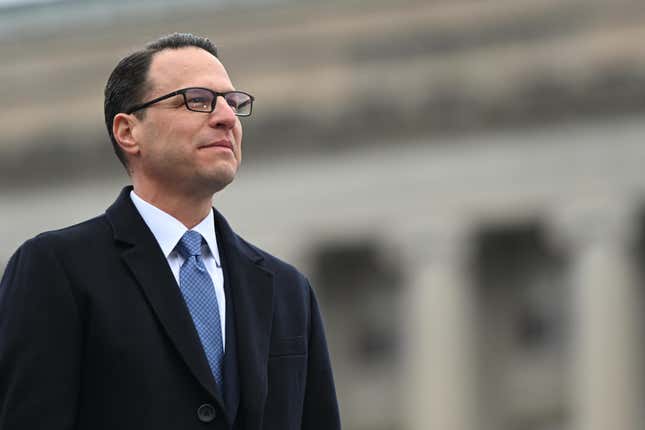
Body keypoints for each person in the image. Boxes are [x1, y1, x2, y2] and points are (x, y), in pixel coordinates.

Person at [0, 33, 341, 430]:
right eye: (197, 101)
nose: (226, 118)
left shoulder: (288, 290)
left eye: (233, 103)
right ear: (128, 132)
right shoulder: (56, 269)